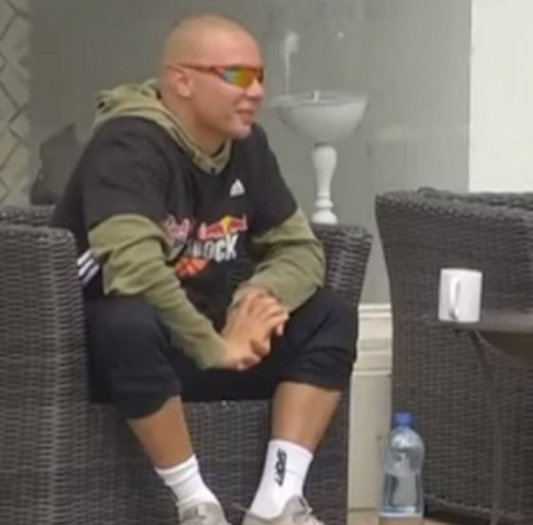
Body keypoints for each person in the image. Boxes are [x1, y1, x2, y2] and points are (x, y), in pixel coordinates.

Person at [50, 14, 357, 525]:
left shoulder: (247, 145)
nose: (255, 92)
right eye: (236, 76)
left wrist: (255, 300)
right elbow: (134, 272)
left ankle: (277, 504)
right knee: (127, 320)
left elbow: (300, 248)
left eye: (260, 76)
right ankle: (196, 504)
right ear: (182, 81)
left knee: (330, 315)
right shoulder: (127, 145)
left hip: (204, 341)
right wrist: (215, 346)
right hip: (111, 361)